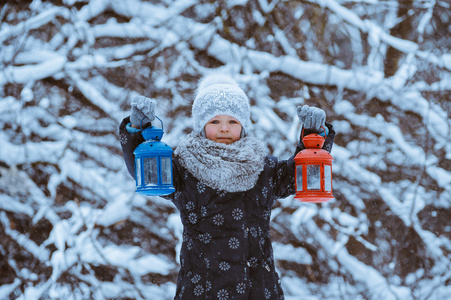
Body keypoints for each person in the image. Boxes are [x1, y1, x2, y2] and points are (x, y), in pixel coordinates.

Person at [119, 72, 335, 300]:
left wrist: (314, 137)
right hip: (202, 289)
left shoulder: (263, 168)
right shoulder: (184, 169)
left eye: (232, 121)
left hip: (258, 289)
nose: (224, 128)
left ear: (243, 125)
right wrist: (137, 132)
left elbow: (299, 175)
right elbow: (146, 171)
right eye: (214, 121)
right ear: (201, 126)